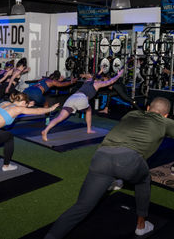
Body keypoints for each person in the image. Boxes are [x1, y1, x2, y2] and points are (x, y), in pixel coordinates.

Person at [44, 97, 174, 239]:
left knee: (82, 206)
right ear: (166, 115)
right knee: (144, 181)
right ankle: (141, 226)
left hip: (101, 157)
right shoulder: (165, 122)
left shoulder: (131, 114)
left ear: (148, 108)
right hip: (128, 161)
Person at [41, 69, 124, 141]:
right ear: (98, 80)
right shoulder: (97, 84)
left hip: (72, 98)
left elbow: (94, 77)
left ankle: (46, 130)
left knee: (60, 117)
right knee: (89, 110)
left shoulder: (87, 81)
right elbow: (111, 81)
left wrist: (100, 71)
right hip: (81, 98)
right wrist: (118, 75)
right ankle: (89, 129)